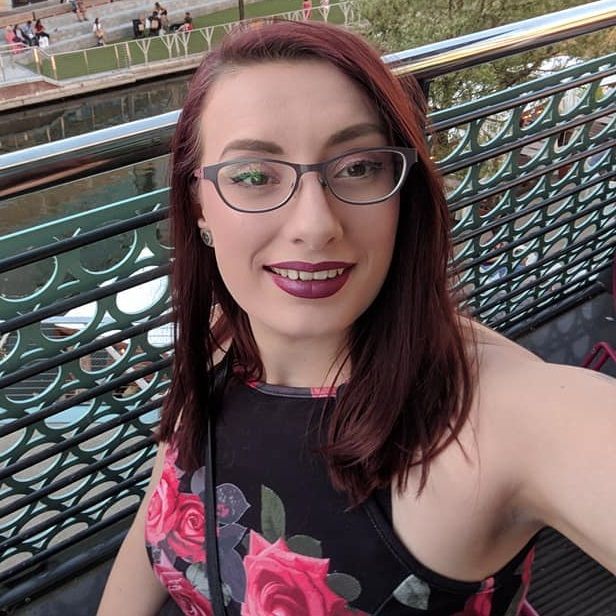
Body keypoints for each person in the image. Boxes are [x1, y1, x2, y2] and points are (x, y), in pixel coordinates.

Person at [97, 20, 616, 616]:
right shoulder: (222, 339)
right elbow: (166, 497)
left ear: (404, 191)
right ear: (199, 205)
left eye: (358, 167)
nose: (315, 224)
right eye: (254, 176)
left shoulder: (492, 419)